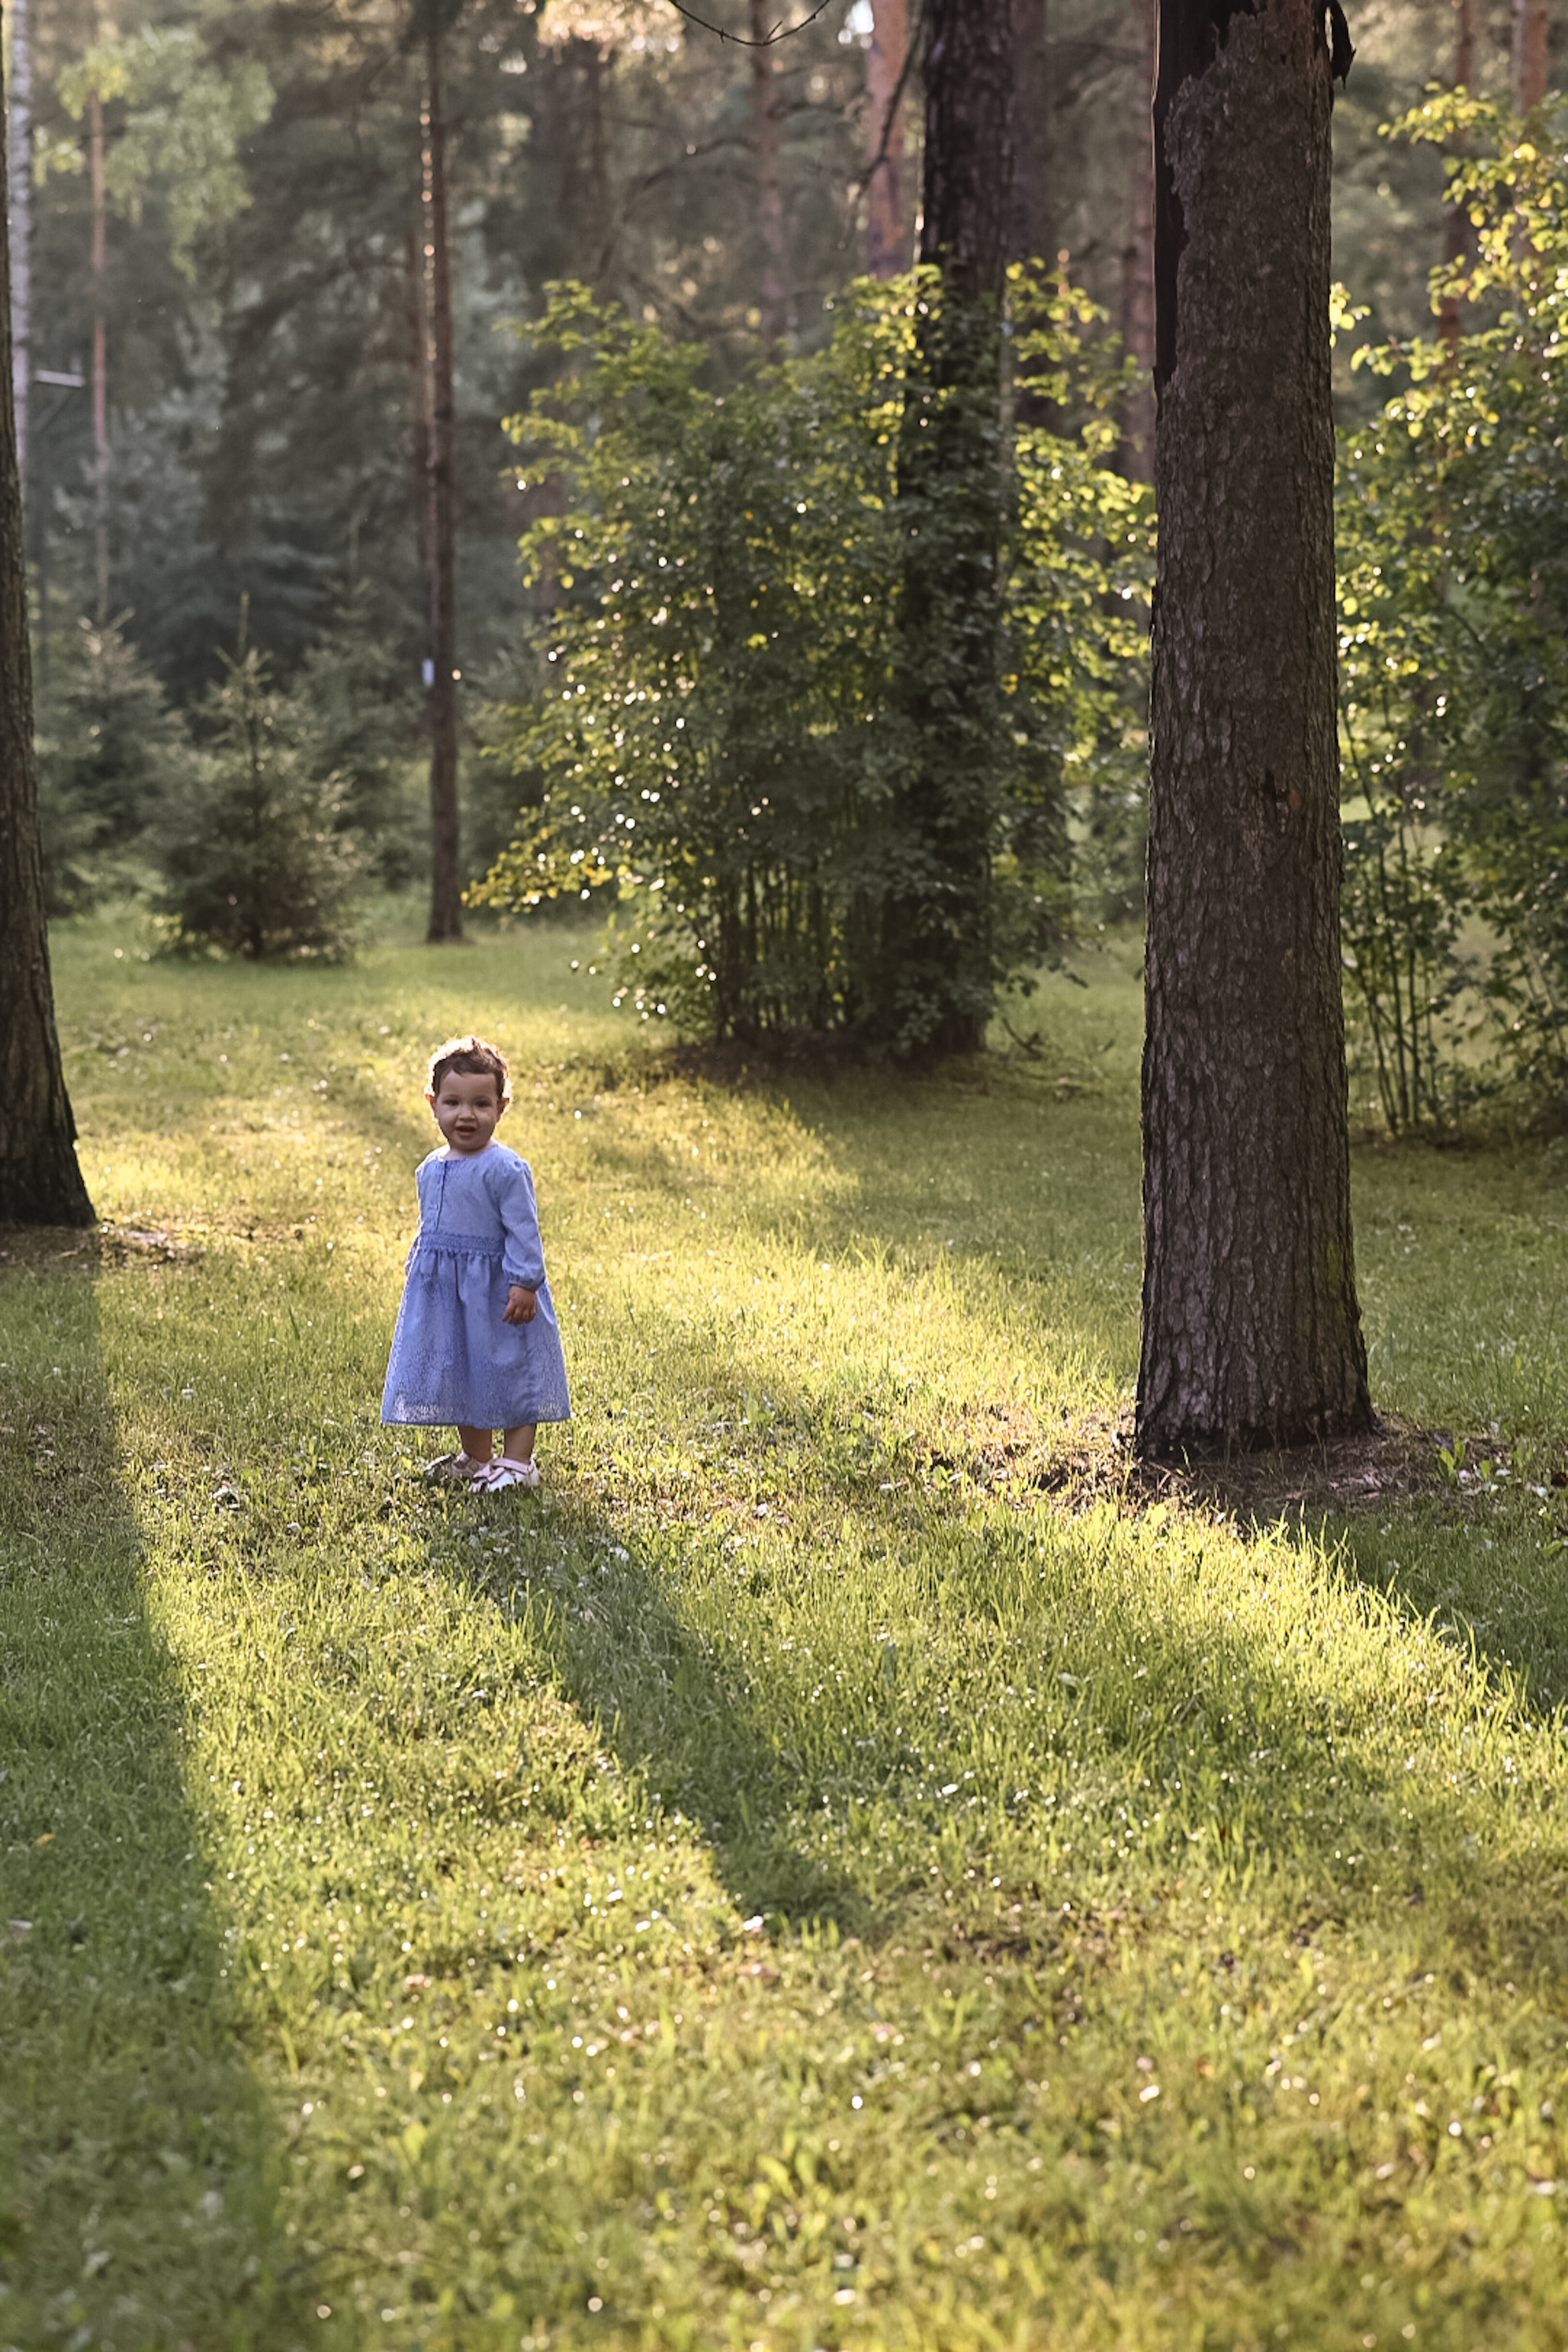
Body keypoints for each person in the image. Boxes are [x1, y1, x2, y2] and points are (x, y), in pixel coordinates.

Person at [381, 1033, 570, 1490]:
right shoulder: (430, 1168)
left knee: (510, 1368)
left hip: (500, 1292)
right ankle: (476, 1455)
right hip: (450, 1295)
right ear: (433, 1103)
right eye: (453, 1102)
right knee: (465, 1367)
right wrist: (420, 1271)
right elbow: (432, 1229)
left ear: (502, 1107)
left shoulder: (505, 1169)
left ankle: (518, 1463)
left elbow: (524, 1231)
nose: (466, 1115)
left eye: (481, 1104)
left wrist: (525, 1283)